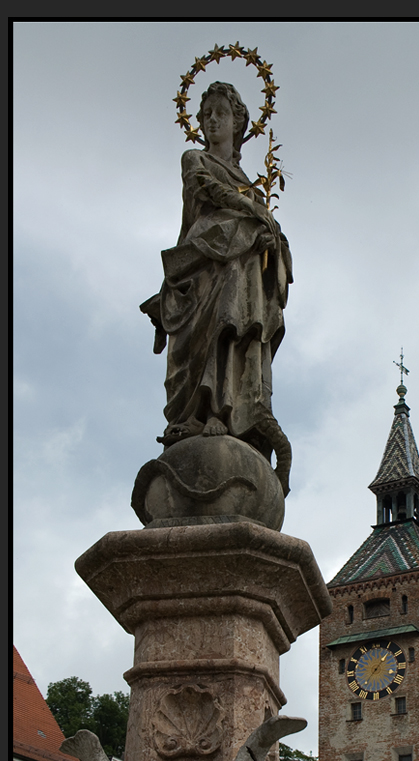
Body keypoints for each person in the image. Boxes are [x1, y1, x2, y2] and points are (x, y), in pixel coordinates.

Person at [141, 82, 292, 487]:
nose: (211, 122)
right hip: (200, 262)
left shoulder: (255, 192)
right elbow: (207, 190)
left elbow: (277, 252)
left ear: (238, 122)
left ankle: (227, 412)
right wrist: (254, 212)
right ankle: (196, 411)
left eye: (220, 114)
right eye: (206, 115)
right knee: (209, 325)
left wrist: (269, 239)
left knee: (238, 316)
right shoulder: (195, 159)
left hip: (238, 274)